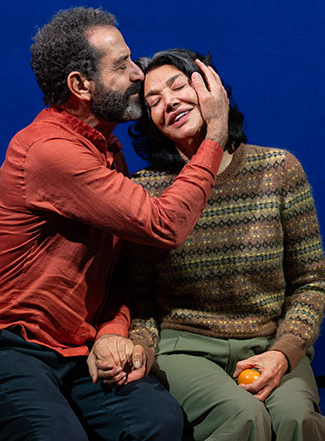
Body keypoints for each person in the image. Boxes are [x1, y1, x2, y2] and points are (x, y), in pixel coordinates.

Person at [0, 6, 231, 441]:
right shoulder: (50, 151)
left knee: (160, 421)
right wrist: (214, 136)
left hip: (79, 349)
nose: (138, 73)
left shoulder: (108, 151)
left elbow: (116, 269)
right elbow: (164, 224)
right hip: (12, 347)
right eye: (122, 65)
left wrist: (113, 332)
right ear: (80, 85)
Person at [121, 48, 325, 440]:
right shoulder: (145, 189)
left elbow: (310, 283)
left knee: (296, 419)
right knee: (242, 417)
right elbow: (140, 295)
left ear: (212, 88)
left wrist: (284, 352)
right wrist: (142, 348)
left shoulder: (279, 170)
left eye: (179, 86)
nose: (169, 103)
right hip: (186, 347)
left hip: (271, 339)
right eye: (153, 102)